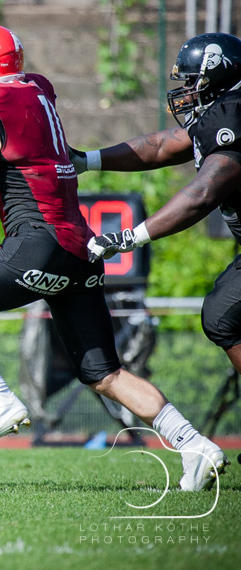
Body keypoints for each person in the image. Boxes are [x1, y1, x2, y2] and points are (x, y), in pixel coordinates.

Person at [0, 23, 226, 491]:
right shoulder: (34, 90)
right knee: (104, 373)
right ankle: (195, 445)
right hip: (79, 251)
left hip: (36, 244)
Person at [76, 32, 241, 380]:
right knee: (222, 314)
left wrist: (130, 238)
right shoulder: (224, 108)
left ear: (219, 75)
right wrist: (88, 160)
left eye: (193, 82)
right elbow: (164, 146)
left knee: (223, 315)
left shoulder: (232, 113)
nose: (187, 91)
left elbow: (202, 195)